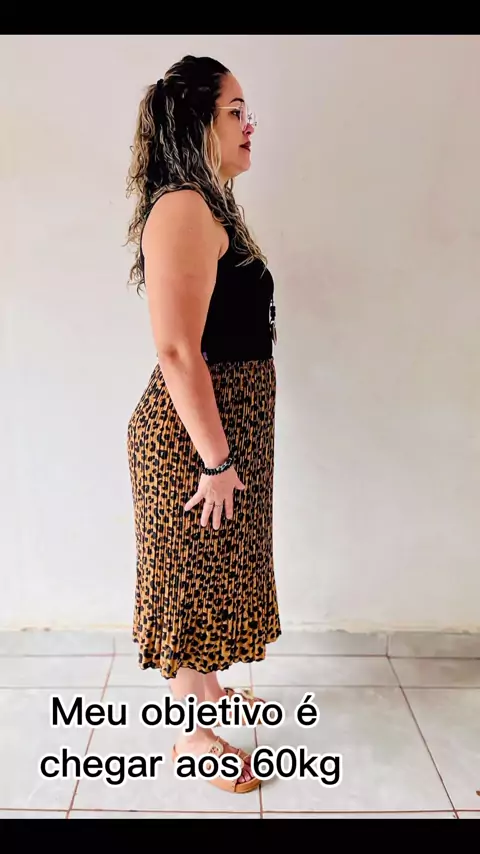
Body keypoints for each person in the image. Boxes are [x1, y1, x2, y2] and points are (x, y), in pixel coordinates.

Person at [125, 54, 281, 794]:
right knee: (188, 579)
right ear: (196, 122)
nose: (249, 125)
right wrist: (216, 460)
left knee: (213, 569)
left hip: (218, 431)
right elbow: (178, 349)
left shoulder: (208, 203)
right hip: (192, 441)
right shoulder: (183, 206)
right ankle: (192, 732)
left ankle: (207, 692)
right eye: (234, 111)